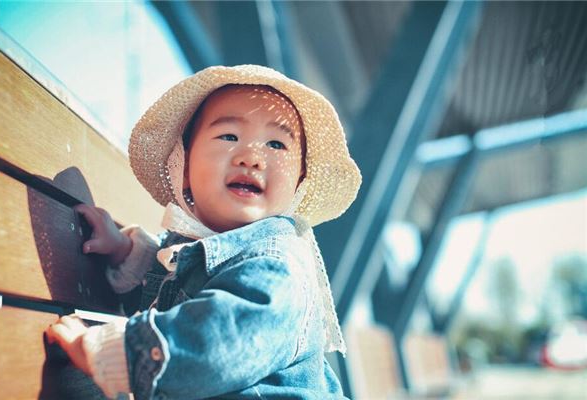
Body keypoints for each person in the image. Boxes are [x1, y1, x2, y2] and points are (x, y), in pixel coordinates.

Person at [46, 65, 361, 400]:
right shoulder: (207, 251)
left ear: (298, 183)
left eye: (276, 144)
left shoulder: (276, 263)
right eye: (229, 136)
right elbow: (173, 299)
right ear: (182, 169)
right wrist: (127, 253)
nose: (252, 157)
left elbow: (217, 344)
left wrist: (109, 352)